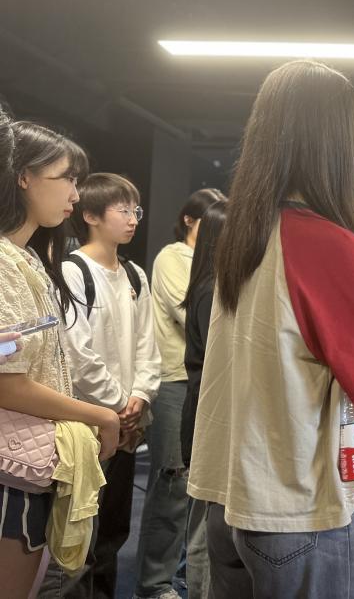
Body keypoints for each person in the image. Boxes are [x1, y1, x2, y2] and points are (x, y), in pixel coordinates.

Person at [187, 60, 354, 599]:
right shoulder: (327, 243)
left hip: (229, 496)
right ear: (336, 147)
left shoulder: (244, 234)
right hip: (302, 504)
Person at [0, 120, 120, 599]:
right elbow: (7, 382)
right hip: (12, 461)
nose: (75, 192)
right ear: (23, 177)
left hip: (27, 454)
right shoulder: (5, 261)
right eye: (66, 177)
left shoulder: (26, 257)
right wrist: (100, 415)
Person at [42, 173, 161, 598]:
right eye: (123, 210)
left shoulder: (135, 274)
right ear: (91, 215)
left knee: (113, 532)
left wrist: (140, 397)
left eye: (136, 210)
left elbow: (149, 345)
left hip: (127, 423)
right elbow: (77, 353)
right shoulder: (73, 272)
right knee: (77, 538)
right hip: (88, 423)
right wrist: (118, 405)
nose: (133, 219)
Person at [135, 187, 224, 599]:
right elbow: (187, 312)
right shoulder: (174, 257)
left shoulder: (219, 268)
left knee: (198, 492)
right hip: (175, 379)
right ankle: (154, 585)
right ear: (191, 220)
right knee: (172, 484)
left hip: (204, 383)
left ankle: (184, 576)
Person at [178, 198, 227, 599]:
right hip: (207, 418)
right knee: (202, 531)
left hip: (208, 415)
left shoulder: (213, 285)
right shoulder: (212, 290)